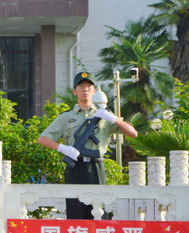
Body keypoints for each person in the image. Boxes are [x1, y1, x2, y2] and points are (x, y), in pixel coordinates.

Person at [37, 71, 138, 220]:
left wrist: (114, 119)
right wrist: (62, 148)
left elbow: (133, 133)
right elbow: (43, 138)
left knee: (98, 213)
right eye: (81, 86)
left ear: (94, 91)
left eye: (89, 86)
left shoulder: (103, 115)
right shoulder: (66, 117)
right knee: (75, 212)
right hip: (75, 167)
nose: (85, 89)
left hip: (96, 167)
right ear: (75, 91)